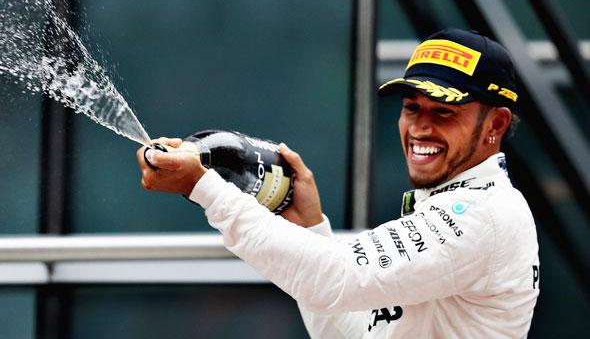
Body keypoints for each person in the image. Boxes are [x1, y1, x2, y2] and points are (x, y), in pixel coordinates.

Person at [136, 28, 540, 338]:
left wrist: (204, 188)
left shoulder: (483, 214)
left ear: (496, 124)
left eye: (444, 113)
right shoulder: (459, 207)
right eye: (412, 108)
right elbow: (342, 327)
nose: (420, 127)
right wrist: (308, 227)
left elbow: (336, 277)